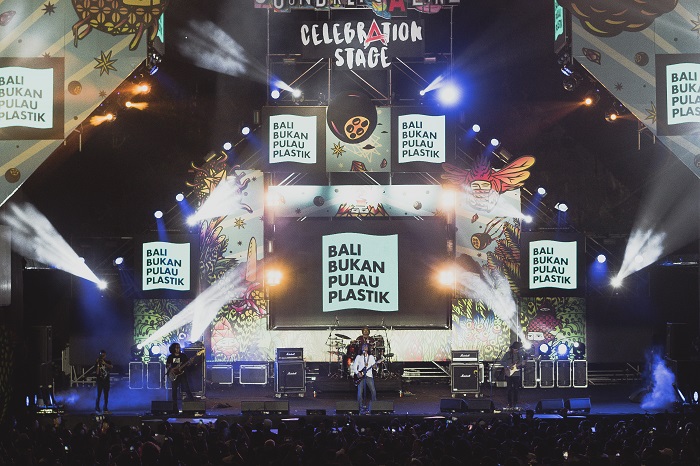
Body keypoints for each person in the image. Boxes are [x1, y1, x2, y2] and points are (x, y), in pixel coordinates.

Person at [165, 343, 195, 410]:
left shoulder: (183, 356)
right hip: (174, 375)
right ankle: (174, 407)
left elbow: (188, 364)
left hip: (182, 374)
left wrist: (190, 362)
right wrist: (171, 369)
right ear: (173, 348)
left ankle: (193, 405)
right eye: (176, 347)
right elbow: (167, 365)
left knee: (187, 389)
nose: (178, 349)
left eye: (178, 347)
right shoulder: (170, 357)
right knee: (174, 391)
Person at [351, 343, 377, 414]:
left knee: (373, 391)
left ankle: (374, 406)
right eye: (363, 346)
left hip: (369, 375)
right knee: (360, 392)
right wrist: (357, 373)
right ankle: (360, 407)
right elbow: (354, 366)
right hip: (361, 376)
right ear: (361, 348)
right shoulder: (358, 357)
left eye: (366, 346)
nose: (365, 347)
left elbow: (375, 367)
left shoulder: (371, 357)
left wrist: (375, 367)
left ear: (368, 349)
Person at [500, 341, 525, 409]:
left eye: (517, 349)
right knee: (509, 389)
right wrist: (508, 366)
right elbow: (502, 361)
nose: (516, 351)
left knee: (516, 389)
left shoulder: (520, 354)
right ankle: (509, 403)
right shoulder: (507, 354)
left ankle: (515, 403)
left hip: (516, 374)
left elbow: (521, 362)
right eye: (515, 349)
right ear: (512, 348)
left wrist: (522, 364)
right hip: (509, 373)